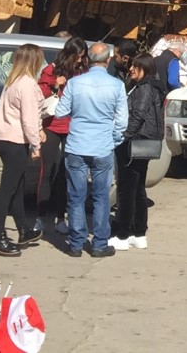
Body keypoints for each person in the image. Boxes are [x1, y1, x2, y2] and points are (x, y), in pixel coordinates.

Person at [54, 40, 128, 258]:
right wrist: (112, 139)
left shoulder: (76, 83)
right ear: (107, 60)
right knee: (101, 197)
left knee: (75, 196)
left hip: (77, 144)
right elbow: (122, 122)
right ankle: (99, 243)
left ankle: (76, 243)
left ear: (89, 59)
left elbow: (60, 112)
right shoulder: (116, 85)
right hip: (102, 147)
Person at [0, 43, 44, 256]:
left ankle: (23, 230)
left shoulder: (12, 81)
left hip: (3, 139)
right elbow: (28, 119)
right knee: (8, 190)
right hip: (15, 141)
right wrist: (36, 144)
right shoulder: (28, 84)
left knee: (17, 187)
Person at [113, 54, 165, 250]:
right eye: (131, 66)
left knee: (127, 189)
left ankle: (124, 234)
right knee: (137, 189)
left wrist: (124, 136)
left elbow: (138, 115)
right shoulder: (147, 85)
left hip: (136, 141)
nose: (131, 69)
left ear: (146, 68)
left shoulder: (145, 88)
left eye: (136, 66)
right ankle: (138, 232)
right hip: (143, 140)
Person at [37, 37, 87, 234]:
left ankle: (61, 215)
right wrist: (54, 85)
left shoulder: (83, 73)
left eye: (83, 57)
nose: (80, 61)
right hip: (51, 125)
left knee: (67, 172)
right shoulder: (52, 69)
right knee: (47, 170)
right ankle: (41, 215)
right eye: (78, 57)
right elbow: (39, 93)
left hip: (73, 127)